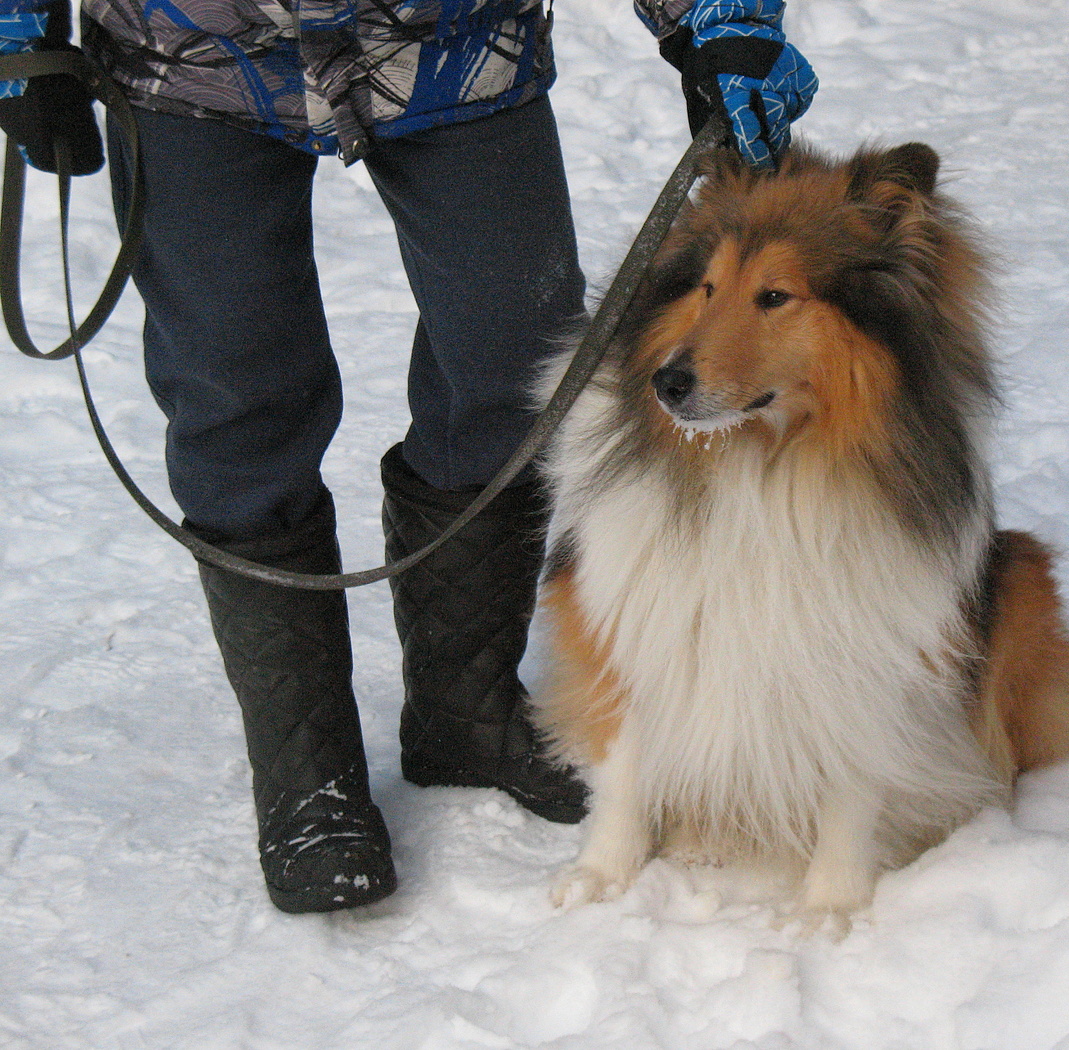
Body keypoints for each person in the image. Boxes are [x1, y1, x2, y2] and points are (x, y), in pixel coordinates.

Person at [0, 0, 816, 913]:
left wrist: (720, 16)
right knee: (235, 395)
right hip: (187, 56)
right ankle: (307, 777)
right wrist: (19, 35)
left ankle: (465, 715)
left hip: (455, 42)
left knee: (518, 364)